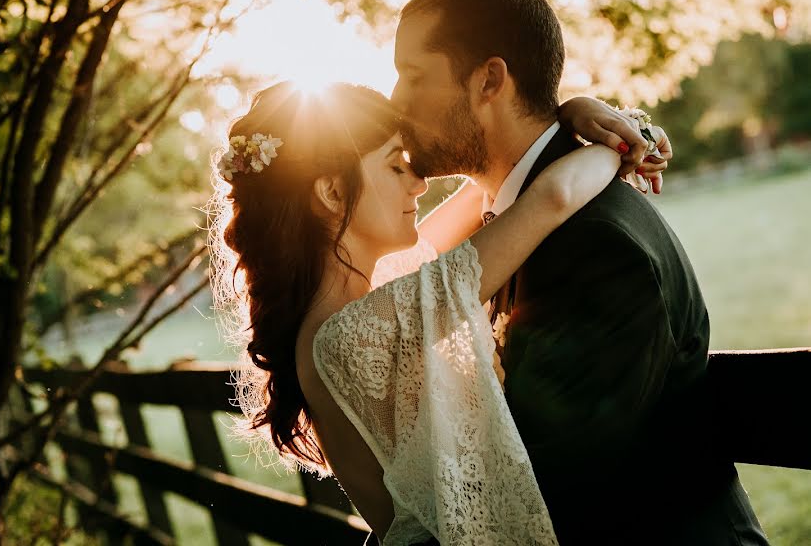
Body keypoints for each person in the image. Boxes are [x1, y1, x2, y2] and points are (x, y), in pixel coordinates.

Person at [390, 0, 768, 545]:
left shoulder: (597, 247)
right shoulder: (517, 211)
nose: (396, 101)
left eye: (413, 76)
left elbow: (550, 486)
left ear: (490, 80)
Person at [208, 80, 667, 544]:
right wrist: (625, 144)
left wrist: (572, 112)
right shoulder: (354, 333)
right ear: (331, 193)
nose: (419, 182)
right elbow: (552, 197)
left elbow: (493, 186)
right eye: (395, 167)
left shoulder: (367, 304)